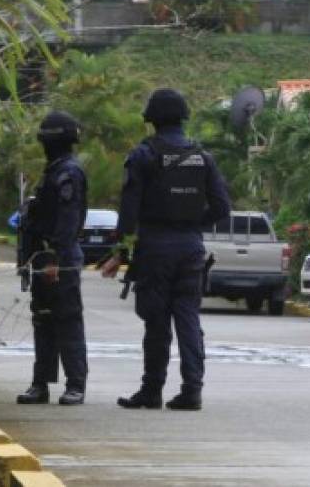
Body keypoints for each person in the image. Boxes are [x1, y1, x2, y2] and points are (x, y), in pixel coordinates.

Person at [101, 88, 231, 412]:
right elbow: (222, 208)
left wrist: (121, 253)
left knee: (156, 323)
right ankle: (192, 390)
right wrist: (190, 224)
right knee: (188, 319)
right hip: (191, 249)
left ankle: (152, 390)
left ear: (152, 120)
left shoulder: (144, 155)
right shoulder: (203, 157)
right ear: (183, 118)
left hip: (155, 249)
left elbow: (129, 212)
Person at [16, 110, 90, 406]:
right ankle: (41, 382)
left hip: (59, 258)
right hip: (44, 256)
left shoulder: (67, 172)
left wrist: (54, 258)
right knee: (43, 320)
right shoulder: (54, 170)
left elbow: (68, 221)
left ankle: (76, 384)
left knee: (68, 320)